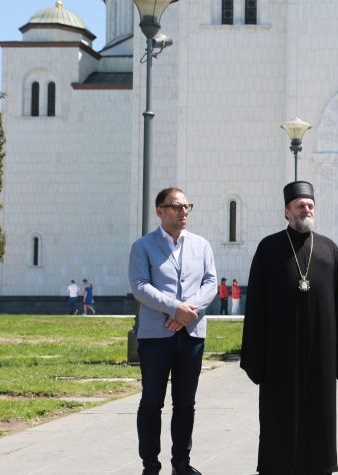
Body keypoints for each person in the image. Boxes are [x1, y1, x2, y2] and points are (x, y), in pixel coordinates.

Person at [239, 181, 338, 475]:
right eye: (300, 205)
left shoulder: (329, 249)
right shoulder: (268, 249)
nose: (307, 209)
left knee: (320, 419)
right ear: (287, 212)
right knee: (278, 419)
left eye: (310, 205)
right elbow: (256, 305)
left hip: (321, 355)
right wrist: (255, 356)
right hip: (279, 356)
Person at [128, 187, 217, 475]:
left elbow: (210, 284)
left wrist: (185, 311)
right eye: (176, 207)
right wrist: (174, 308)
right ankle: (150, 465)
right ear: (160, 211)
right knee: (152, 400)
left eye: (186, 206)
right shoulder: (143, 246)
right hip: (155, 336)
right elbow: (140, 286)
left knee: (185, 403)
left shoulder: (201, 245)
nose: (183, 212)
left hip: (191, 334)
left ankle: (181, 463)